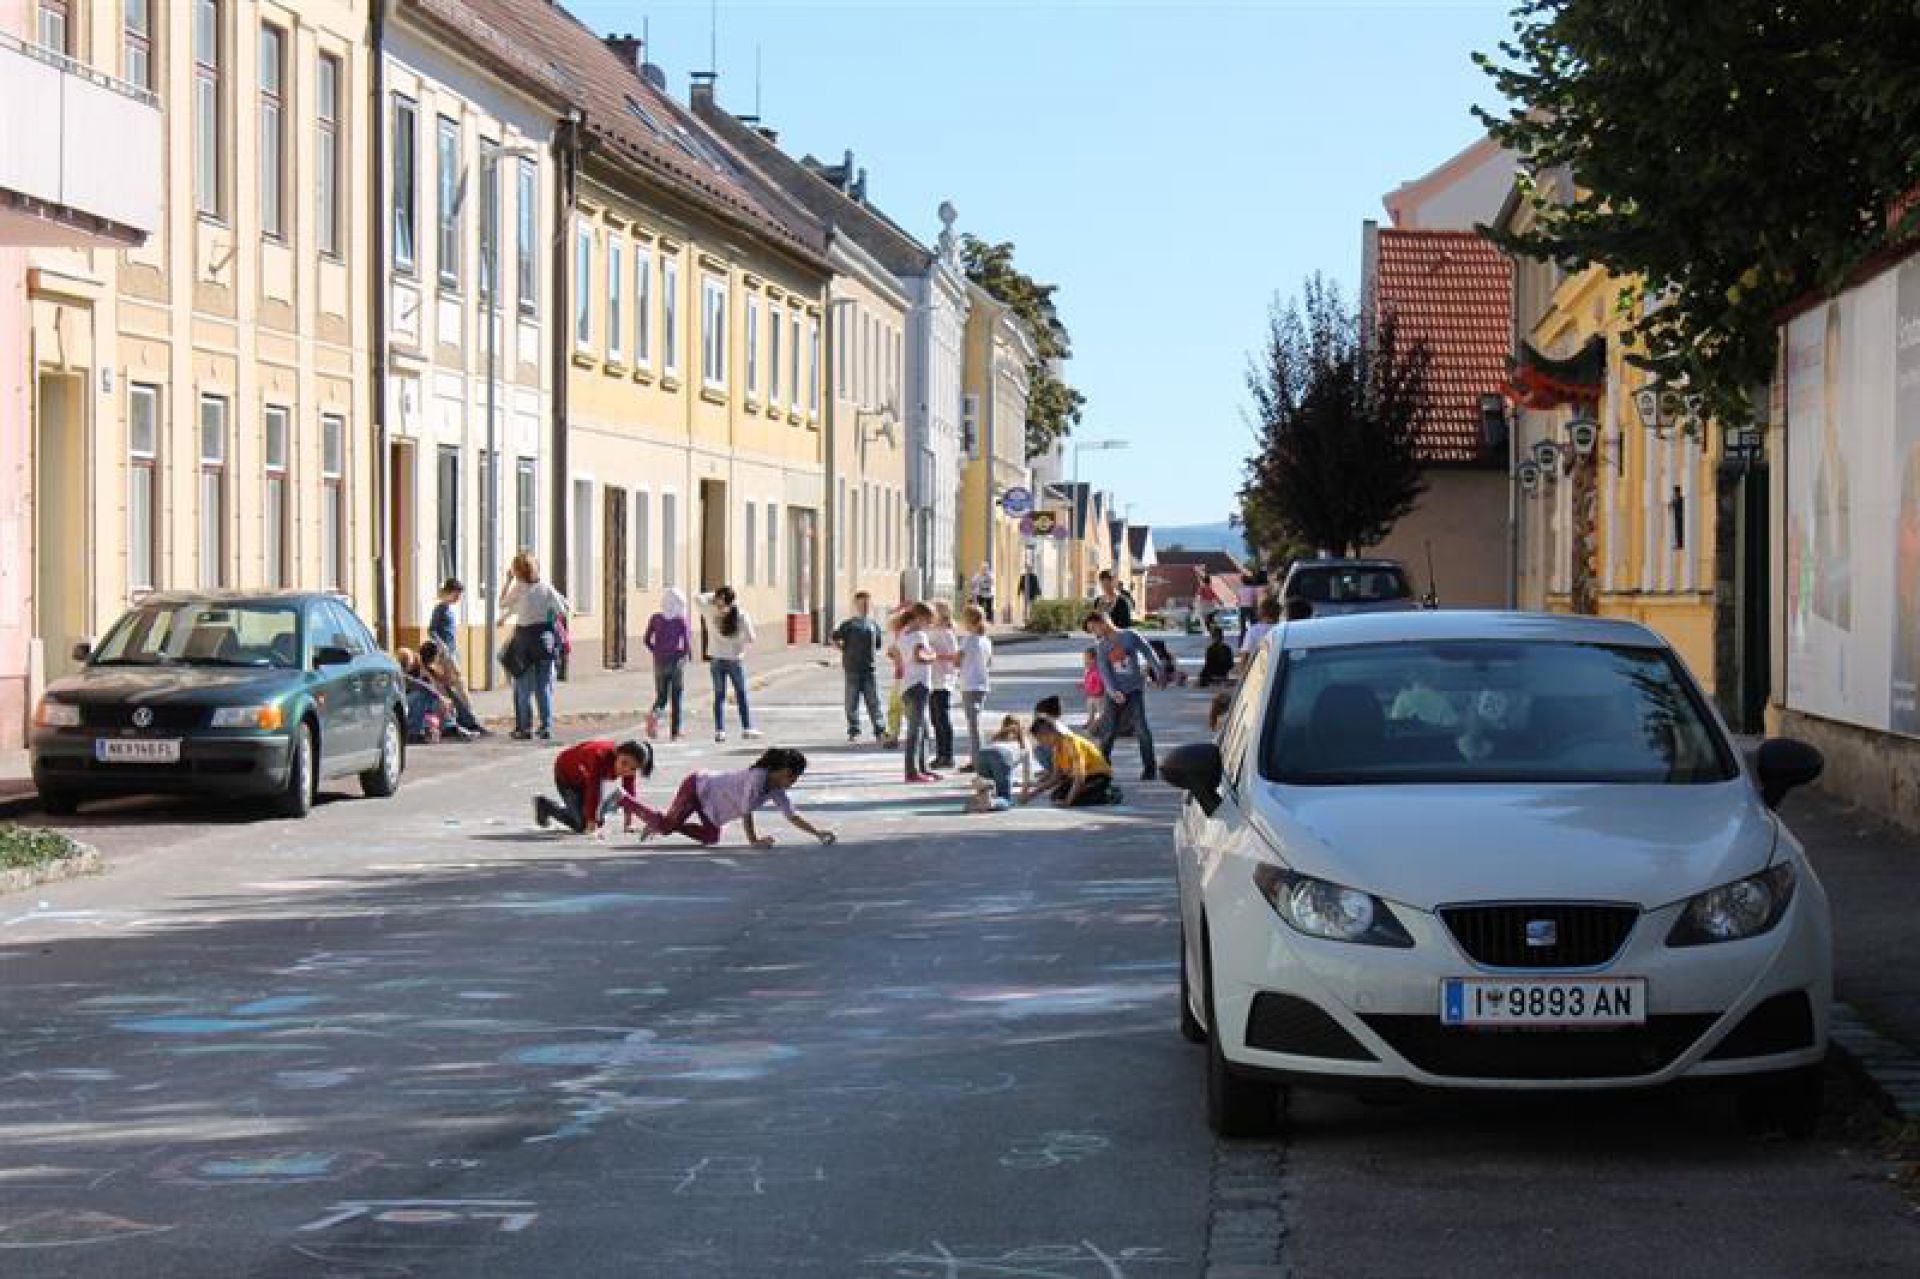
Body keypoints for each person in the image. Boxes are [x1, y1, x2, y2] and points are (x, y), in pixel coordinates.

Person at [636, 748, 837, 848]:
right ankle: (623, 799)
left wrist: (817, 833)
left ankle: (660, 820)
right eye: (790, 776)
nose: (792, 781)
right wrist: (754, 841)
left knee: (710, 838)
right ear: (778, 770)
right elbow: (746, 811)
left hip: (709, 802)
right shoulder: (757, 778)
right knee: (665, 829)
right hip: (697, 787)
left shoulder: (775, 787)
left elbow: (791, 815)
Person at [1086, 608, 1166, 781]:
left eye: (1094, 628)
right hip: (1114, 692)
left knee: (1141, 728)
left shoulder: (1130, 635)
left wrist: (1159, 670)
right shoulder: (1101, 646)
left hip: (1134, 690)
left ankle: (1149, 768)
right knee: (1109, 730)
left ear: (1104, 622)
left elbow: (1148, 652)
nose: (1094, 633)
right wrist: (1113, 691)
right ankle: (1102, 766)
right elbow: (1105, 672)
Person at [498, 554, 568, 741]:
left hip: (524, 641)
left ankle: (524, 728)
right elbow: (562, 610)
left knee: (523, 687)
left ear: (517, 572)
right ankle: (546, 726)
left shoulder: (519, 589)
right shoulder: (546, 588)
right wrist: (548, 616)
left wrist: (507, 582)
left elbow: (502, 603)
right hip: (544, 640)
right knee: (543, 687)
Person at [534, 739, 653, 836]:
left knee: (596, 820)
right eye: (624, 763)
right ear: (617, 754)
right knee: (581, 825)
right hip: (567, 775)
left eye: (633, 769)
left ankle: (617, 798)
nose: (626, 770)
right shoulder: (599, 757)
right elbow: (594, 792)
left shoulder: (628, 765)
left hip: (586, 776)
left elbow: (629, 792)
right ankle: (545, 805)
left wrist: (628, 824)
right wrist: (591, 826)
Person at [697, 586, 760, 743]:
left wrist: (716, 597)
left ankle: (720, 731)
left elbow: (697, 597)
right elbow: (751, 637)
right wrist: (738, 642)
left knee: (719, 696)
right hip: (735, 659)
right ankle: (747, 728)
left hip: (716, 658)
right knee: (741, 693)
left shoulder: (709, 610)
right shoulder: (741, 615)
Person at [1025, 715, 1120, 807]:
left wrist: (1068, 802)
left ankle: (1109, 795)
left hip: (1098, 776)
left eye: (1040, 739)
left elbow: (1080, 777)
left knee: (1074, 799)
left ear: (1047, 733)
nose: (1041, 743)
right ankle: (1096, 793)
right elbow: (1055, 778)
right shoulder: (1056, 748)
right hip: (1083, 777)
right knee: (1056, 796)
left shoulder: (1071, 743)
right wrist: (1031, 795)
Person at [832, 591, 887, 744]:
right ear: (855, 605)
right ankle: (854, 731)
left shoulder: (873, 625)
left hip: (870, 670)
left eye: (867, 604)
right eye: (861, 604)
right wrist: (842, 649)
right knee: (851, 702)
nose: (864, 607)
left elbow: (877, 645)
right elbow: (835, 637)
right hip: (852, 669)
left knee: (873, 702)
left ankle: (880, 730)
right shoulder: (849, 625)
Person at [897, 603, 941, 783]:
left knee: (923, 729)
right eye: (929, 620)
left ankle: (924, 767)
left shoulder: (904, 632)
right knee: (916, 731)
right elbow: (919, 657)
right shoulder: (919, 635)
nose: (930, 624)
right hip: (919, 685)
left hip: (908, 684)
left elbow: (896, 654)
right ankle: (912, 771)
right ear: (920, 618)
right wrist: (934, 656)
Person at [642, 588, 692, 741]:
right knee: (676, 699)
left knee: (662, 697)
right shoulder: (680, 620)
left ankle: (654, 714)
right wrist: (684, 656)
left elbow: (646, 639)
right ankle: (675, 732)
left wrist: (655, 650)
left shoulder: (655, 618)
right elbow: (686, 644)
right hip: (676, 661)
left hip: (659, 661)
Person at [418, 639, 484, 737]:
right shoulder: (424, 661)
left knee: (459, 695)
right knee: (443, 699)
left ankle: (470, 722)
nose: (430, 663)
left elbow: (453, 678)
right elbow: (428, 677)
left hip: (451, 682)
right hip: (434, 691)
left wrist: (444, 682)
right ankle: (452, 725)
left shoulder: (446, 657)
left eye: (431, 660)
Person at [956, 603, 994, 770]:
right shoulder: (986, 641)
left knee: (973, 726)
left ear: (968, 621)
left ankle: (978, 762)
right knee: (975, 724)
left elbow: (958, 660)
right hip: (982, 684)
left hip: (969, 684)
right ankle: (977, 759)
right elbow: (990, 663)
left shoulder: (968, 640)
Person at [969, 716, 1034, 811]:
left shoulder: (996, 736)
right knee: (1005, 799)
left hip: (982, 755)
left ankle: (979, 800)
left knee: (986, 785)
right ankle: (992, 802)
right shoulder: (1024, 742)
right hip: (1001, 756)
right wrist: (1025, 792)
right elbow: (1027, 771)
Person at [927, 600, 960, 770]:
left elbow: (955, 657)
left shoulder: (947, 633)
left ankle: (947, 755)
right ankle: (941, 754)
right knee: (935, 720)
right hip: (932, 680)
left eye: (934, 611)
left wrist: (934, 655)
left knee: (942, 719)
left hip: (944, 680)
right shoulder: (931, 630)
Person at [397, 647, 453, 743]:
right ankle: (413, 732)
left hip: (412, 707)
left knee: (434, 699)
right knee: (423, 694)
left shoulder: (421, 668)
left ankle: (448, 726)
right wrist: (440, 697)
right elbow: (419, 685)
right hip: (401, 706)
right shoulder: (399, 673)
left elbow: (445, 681)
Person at [1240, 596, 1284, 667]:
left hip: (1259, 671)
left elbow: (1245, 655)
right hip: (1279, 670)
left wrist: (1243, 674)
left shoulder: (1253, 630)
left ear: (1261, 612)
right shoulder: (1283, 629)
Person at [429, 578, 463, 666]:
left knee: (454, 677)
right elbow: (431, 630)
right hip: (444, 652)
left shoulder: (449, 610)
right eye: (456, 595)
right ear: (448, 592)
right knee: (456, 677)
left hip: (452, 650)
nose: (458, 598)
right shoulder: (439, 609)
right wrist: (442, 645)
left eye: (459, 596)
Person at [1080, 649, 1107, 735]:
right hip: (1090, 695)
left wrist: (1098, 691)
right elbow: (1087, 681)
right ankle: (1090, 720)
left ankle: (1097, 724)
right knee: (1090, 708)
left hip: (1099, 696)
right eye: (1085, 660)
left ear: (1095, 660)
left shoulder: (1098, 670)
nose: (1086, 662)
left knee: (1101, 712)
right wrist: (1083, 686)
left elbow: (1100, 683)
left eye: (1088, 659)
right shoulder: (1088, 670)